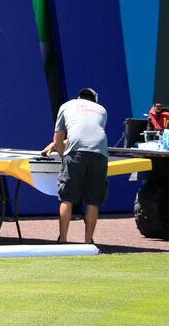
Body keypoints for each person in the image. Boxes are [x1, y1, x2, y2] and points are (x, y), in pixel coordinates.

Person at [40, 87, 109, 244]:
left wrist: (67, 157)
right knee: (93, 201)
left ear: (78, 98)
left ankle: (63, 241)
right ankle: (88, 242)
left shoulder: (67, 105)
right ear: (95, 100)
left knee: (67, 199)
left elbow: (60, 141)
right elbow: (88, 134)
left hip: (76, 153)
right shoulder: (102, 110)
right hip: (99, 153)